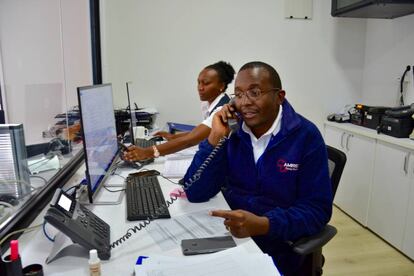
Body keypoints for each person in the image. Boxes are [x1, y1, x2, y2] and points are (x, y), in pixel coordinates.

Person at [183, 61, 333, 275]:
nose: (245, 102)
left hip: (279, 247)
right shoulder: (233, 133)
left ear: (279, 97)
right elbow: (195, 192)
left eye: (254, 93)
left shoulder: (306, 137)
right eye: (239, 94)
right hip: (230, 239)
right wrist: (215, 138)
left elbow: (317, 210)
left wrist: (264, 224)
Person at [123, 61, 235, 161]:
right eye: (199, 82)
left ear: (221, 85)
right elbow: (202, 132)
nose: (200, 87)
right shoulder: (207, 103)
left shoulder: (221, 109)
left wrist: (146, 152)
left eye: (206, 83)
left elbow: (190, 140)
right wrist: (173, 137)